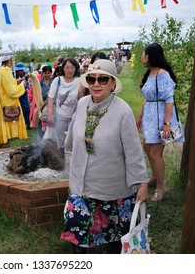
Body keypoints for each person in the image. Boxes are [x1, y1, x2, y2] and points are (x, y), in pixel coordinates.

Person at [61, 59, 148, 254]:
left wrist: (142, 183)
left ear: (113, 83)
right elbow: (73, 137)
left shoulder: (123, 111)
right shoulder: (82, 104)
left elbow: (134, 151)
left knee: (115, 238)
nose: (96, 84)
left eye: (103, 79)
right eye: (91, 79)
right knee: (77, 225)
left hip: (112, 187)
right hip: (81, 183)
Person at [136, 43, 184, 202]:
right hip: (150, 116)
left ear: (149, 56)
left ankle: (160, 188)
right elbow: (148, 99)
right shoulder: (150, 73)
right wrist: (140, 117)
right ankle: (156, 176)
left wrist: (167, 123)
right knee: (146, 147)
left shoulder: (162, 73)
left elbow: (169, 99)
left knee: (155, 154)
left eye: (143, 53)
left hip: (160, 117)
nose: (142, 56)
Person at [0, 48, 27, 148]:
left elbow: (3, 86)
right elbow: (11, 92)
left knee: (2, 135)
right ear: (9, 59)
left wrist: (15, 82)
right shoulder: (6, 71)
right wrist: (22, 85)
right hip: (6, 106)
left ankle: (0, 155)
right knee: (6, 137)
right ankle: (5, 157)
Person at [47, 57, 81, 154]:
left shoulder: (79, 81)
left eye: (72, 67)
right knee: (61, 141)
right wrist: (50, 114)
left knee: (73, 141)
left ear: (76, 68)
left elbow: (82, 98)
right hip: (60, 117)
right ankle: (62, 158)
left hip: (74, 118)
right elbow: (51, 97)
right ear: (63, 69)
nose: (69, 70)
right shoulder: (57, 80)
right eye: (67, 68)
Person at [13, 62, 31, 129]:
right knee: (19, 109)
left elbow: (27, 84)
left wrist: (27, 88)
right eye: (19, 70)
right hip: (17, 94)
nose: (21, 71)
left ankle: (27, 122)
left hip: (24, 94)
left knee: (27, 108)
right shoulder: (14, 76)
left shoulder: (25, 76)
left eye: (22, 70)